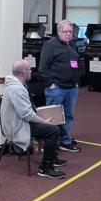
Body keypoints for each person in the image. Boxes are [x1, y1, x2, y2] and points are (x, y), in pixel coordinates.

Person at [0, 59, 68, 179]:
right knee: (53, 130)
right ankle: (45, 168)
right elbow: (26, 115)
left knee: (50, 126)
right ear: (24, 73)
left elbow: (27, 110)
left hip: (21, 122)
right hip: (18, 127)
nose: (31, 71)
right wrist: (43, 121)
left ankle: (52, 158)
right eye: (30, 69)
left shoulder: (18, 84)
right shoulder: (17, 89)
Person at [38, 19, 82, 153]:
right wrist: (51, 84)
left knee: (68, 116)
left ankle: (64, 140)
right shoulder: (50, 46)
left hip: (71, 88)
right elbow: (43, 68)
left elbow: (75, 64)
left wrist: (76, 82)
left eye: (70, 31)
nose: (68, 34)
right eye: (65, 32)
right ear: (58, 32)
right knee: (53, 117)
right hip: (56, 88)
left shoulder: (72, 45)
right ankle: (49, 142)